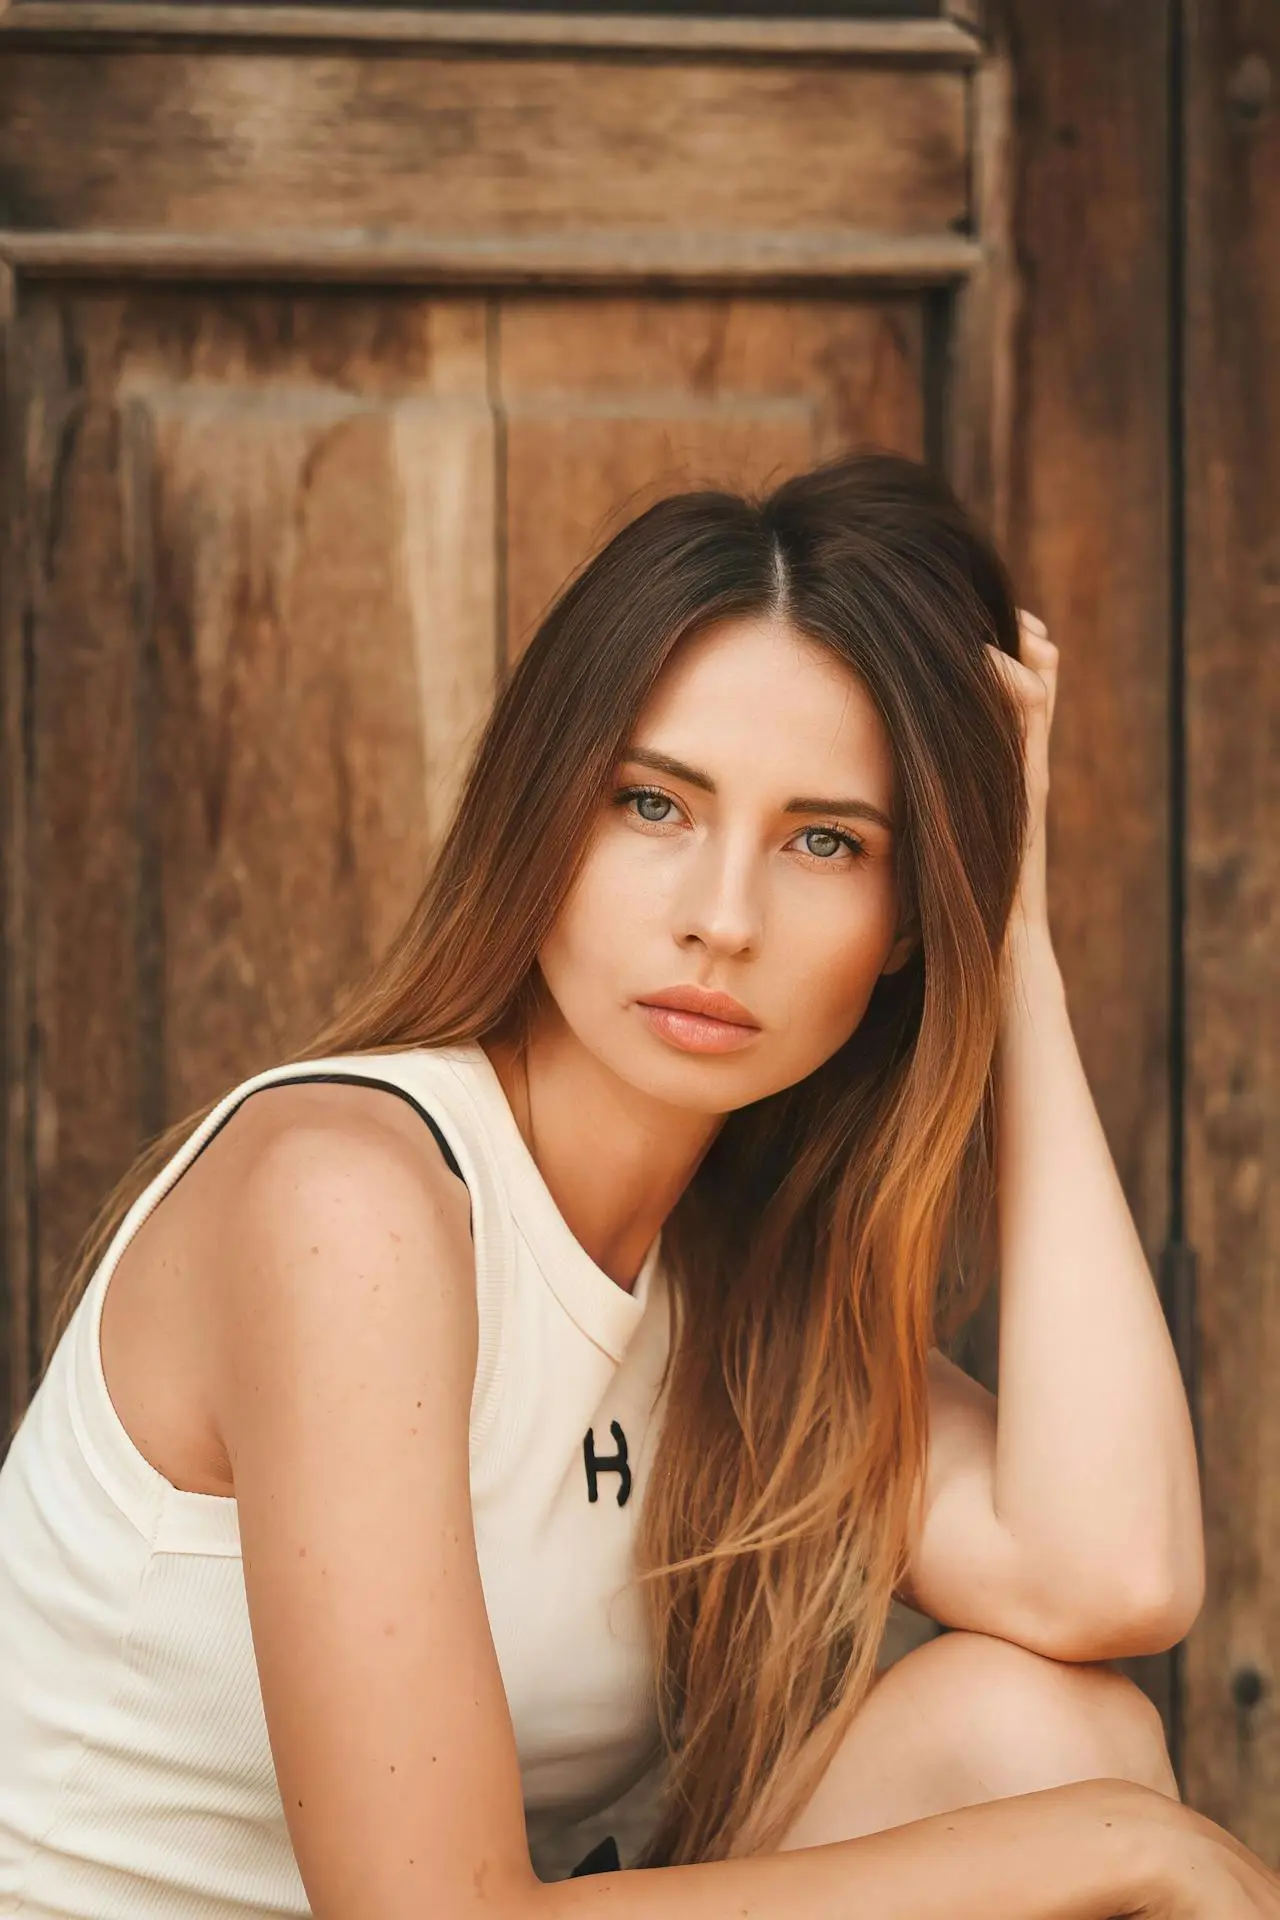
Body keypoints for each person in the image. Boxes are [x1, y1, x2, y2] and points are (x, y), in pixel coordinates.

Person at [0, 450, 1274, 1920]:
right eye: (653, 807)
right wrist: (1122, 1850)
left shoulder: (730, 1287)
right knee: (1088, 1808)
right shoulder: (347, 1201)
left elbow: (1106, 1573)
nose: (721, 920)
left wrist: (1018, 927)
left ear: (907, 920)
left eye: (824, 841)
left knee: (1060, 1736)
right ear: (543, 812)